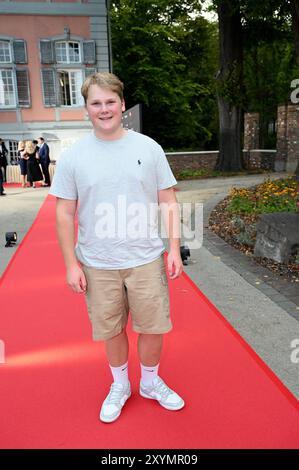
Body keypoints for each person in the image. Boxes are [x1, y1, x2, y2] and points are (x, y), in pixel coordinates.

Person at [49, 72, 184, 424]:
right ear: (87, 109)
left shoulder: (148, 147)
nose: (104, 109)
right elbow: (63, 213)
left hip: (145, 257)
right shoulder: (74, 156)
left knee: (153, 326)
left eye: (110, 101)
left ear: (122, 105)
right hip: (97, 261)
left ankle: (151, 383)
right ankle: (121, 385)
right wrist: (70, 265)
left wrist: (173, 247)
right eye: (96, 103)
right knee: (110, 328)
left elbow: (168, 199)